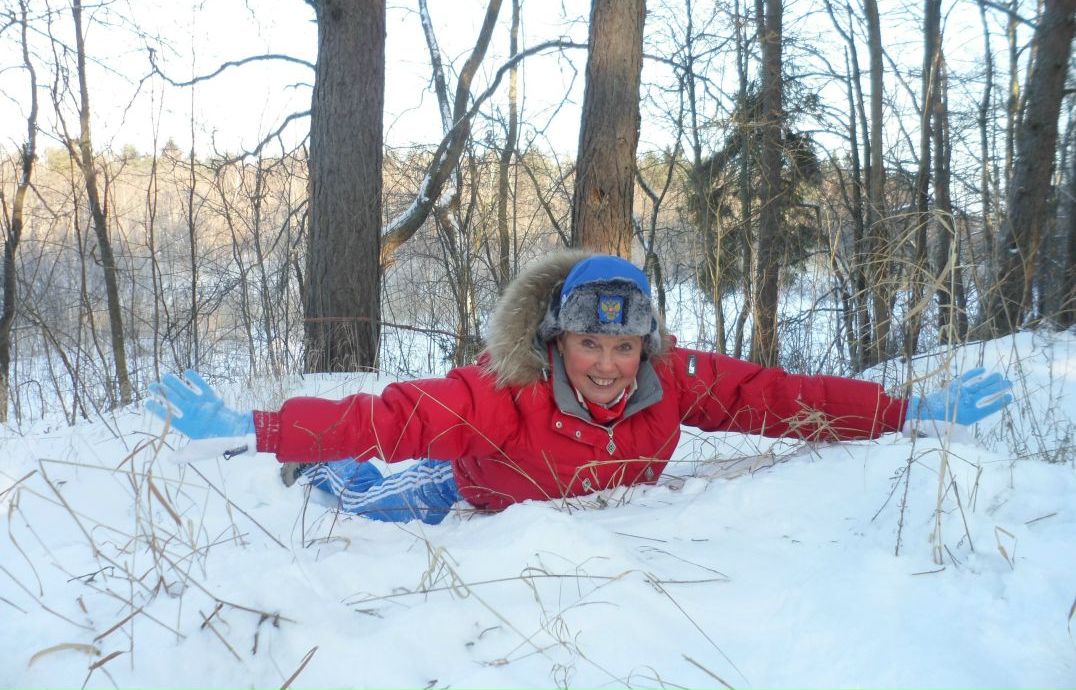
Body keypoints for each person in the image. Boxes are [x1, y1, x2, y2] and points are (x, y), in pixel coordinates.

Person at [146, 250, 1013, 524]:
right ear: (558, 341)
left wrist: (905, 412)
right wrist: (263, 427)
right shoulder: (499, 392)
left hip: (585, 509)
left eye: (625, 345)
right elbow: (390, 416)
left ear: (648, 345)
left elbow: (778, 398)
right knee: (373, 490)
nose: (607, 364)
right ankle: (314, 474)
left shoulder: (674, 382)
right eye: (589, 342)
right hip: (475, 492)